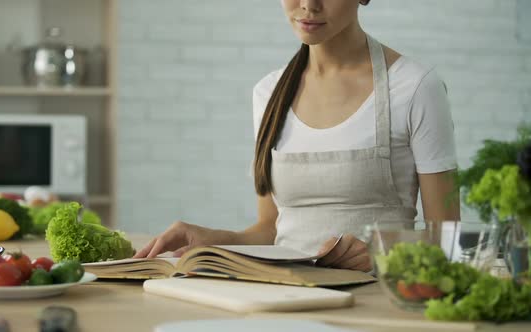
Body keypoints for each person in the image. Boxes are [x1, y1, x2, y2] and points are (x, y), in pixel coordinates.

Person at [135, 0, 460, 272]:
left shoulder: (415, 87)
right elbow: (270, 229)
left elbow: (447, 238)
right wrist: (211, 239)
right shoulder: (269, 93)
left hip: (380, 301)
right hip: (289, 294)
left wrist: (382, 250)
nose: (308, 5)